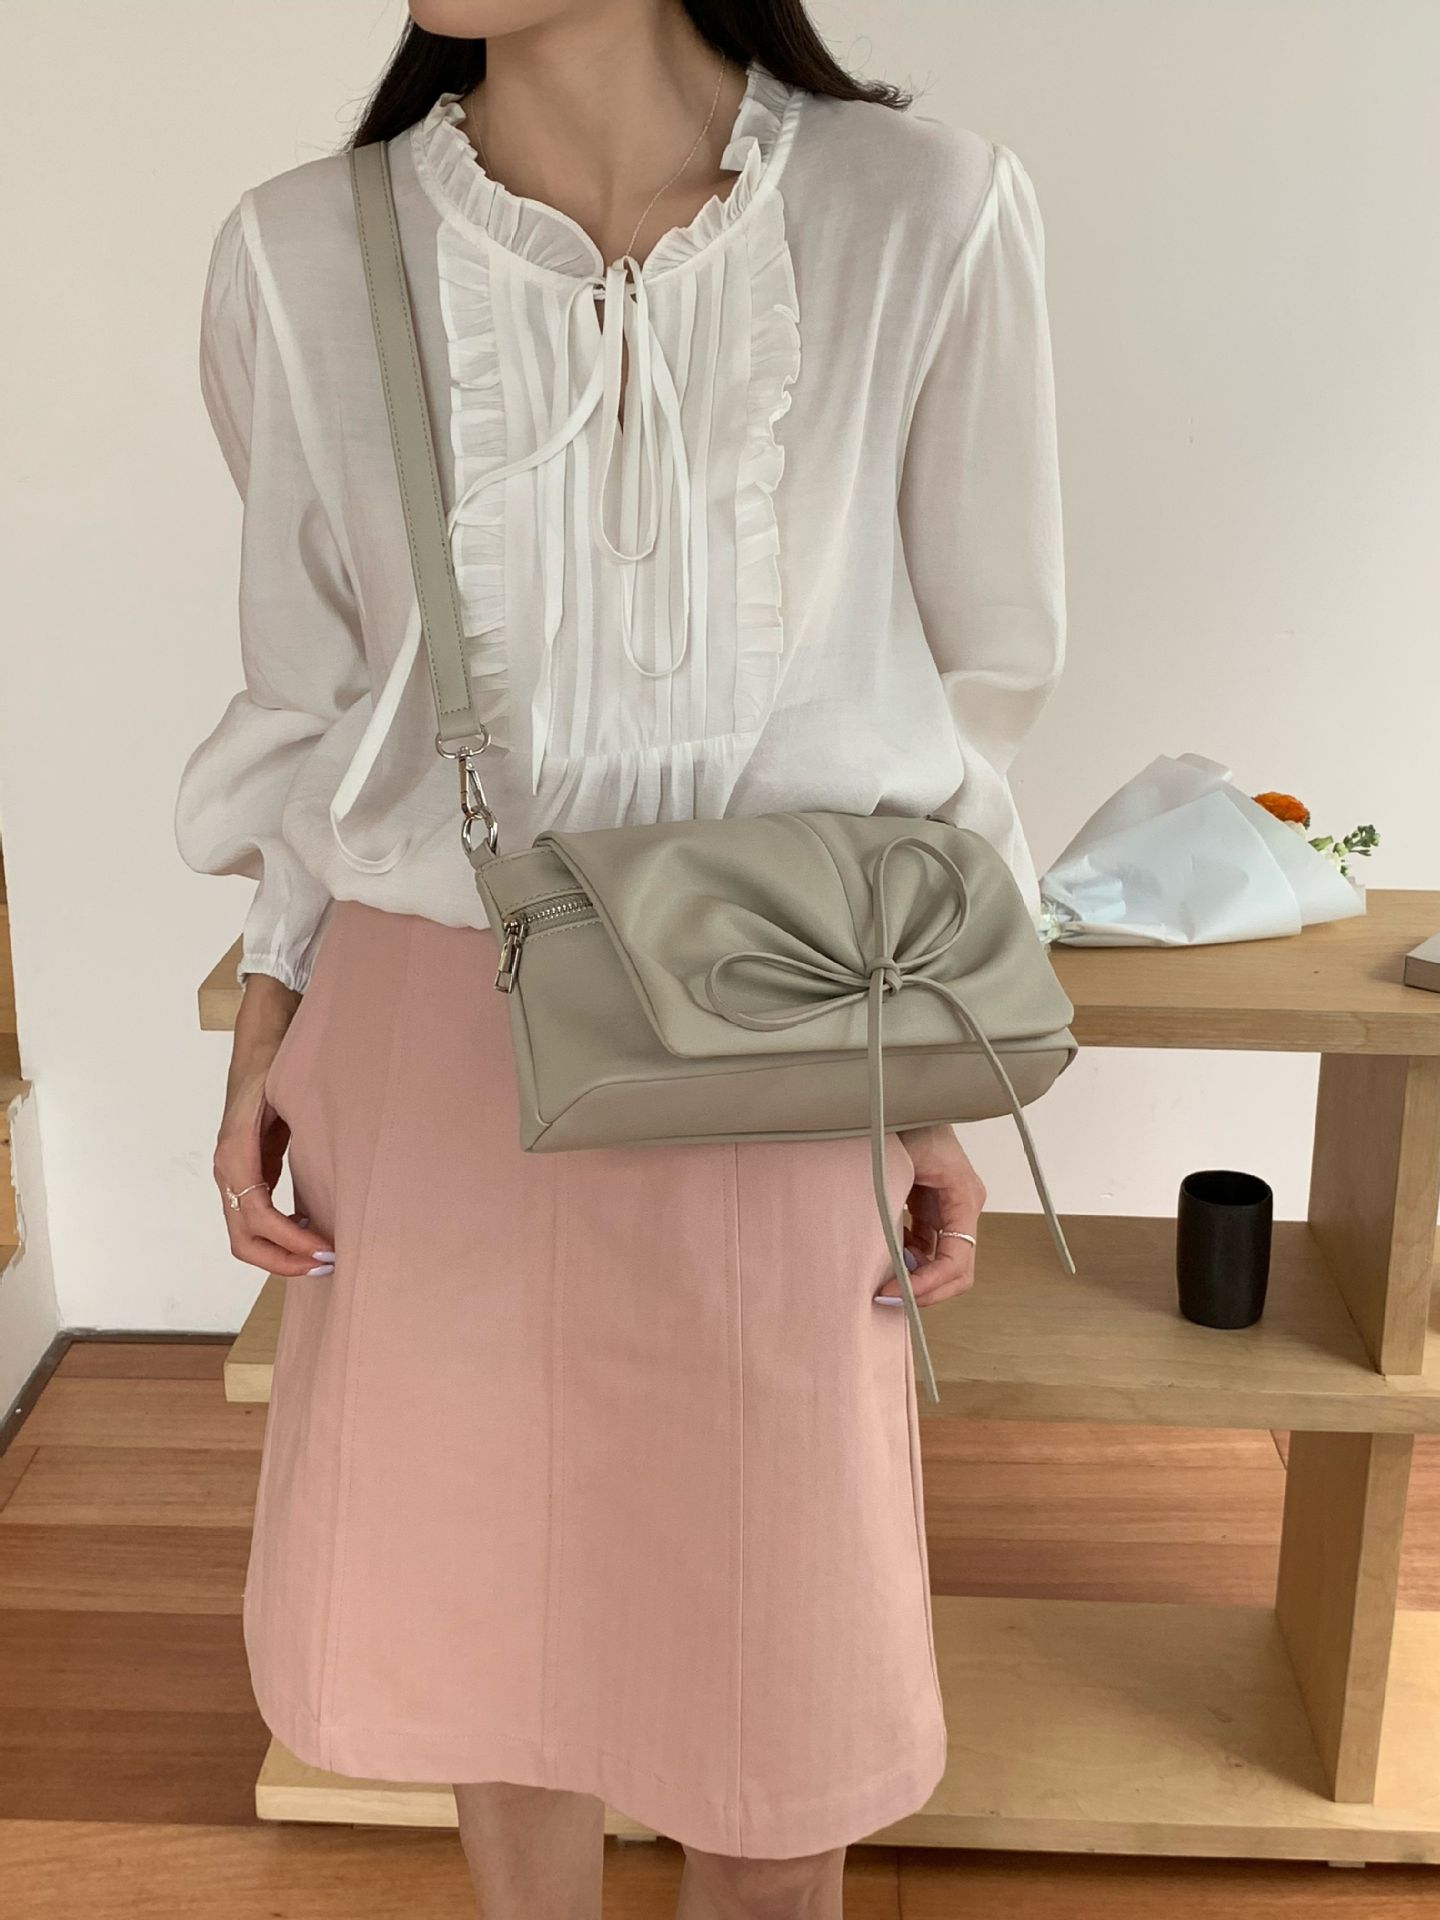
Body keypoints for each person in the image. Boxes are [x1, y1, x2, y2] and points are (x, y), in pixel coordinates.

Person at [174, 2, 1065, 1913]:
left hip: (785, 1031)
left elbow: (974, 698)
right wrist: (265, 1031)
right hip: (431, 1037)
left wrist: (925, 1075)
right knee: (491, 1635)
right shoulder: (301, 249)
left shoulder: (927, 214)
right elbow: (310, 708)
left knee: (780, 1685)